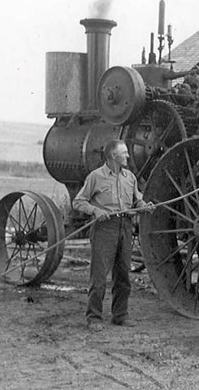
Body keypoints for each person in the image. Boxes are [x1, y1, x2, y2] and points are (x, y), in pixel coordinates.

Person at [73, 139, 154, 331]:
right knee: (99, 275)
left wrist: (144, 206)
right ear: (113, 156)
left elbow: (137, 200)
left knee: (123, 274)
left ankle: (120, 315)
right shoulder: (96, 177)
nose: (127, 155)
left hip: (125, 226)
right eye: (124, 153)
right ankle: (94, 317)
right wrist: (95, 211)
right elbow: (78, 202)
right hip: (104, 228)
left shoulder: (130, 177)